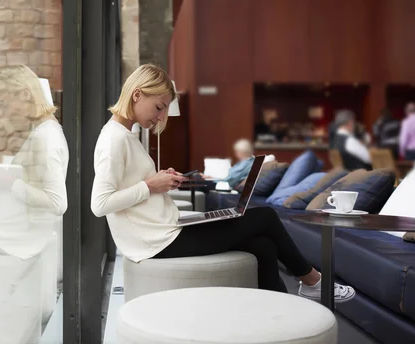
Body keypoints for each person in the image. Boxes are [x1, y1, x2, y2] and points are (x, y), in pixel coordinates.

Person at [90, 64, 355, 301]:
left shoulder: (125, 135)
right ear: (137, 94)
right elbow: (100, 204)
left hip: (164, 230)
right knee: (265, 217)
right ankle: (313, 281)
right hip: (157, 241)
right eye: (159, 108)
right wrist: (151, 185)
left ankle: (281, 313)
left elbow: (134, 185)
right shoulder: (114, 140)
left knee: (263, 244)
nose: (161, 118)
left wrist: (160, 181)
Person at [0, 64, 69, 260]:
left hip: (18, 242)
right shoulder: (42, 132)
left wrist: (8, 182)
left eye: (8, 102)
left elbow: (57, 203)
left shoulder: (47, 137)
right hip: (11, 237)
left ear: (26, 94)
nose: (8, 111)